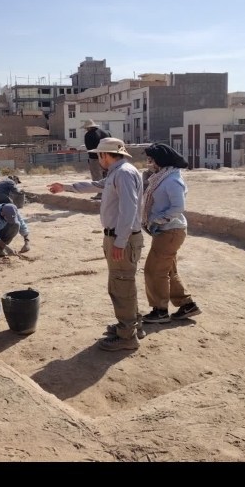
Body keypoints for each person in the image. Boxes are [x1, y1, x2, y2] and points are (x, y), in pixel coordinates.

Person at [47, 137, 144, 351]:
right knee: (123, 283)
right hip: (119, 237)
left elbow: (129, 210)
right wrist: (67, 187)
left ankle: (127, 335)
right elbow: (96, 185)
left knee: (121, 285)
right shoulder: (118, 172)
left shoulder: (124, 173)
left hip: (122, 238)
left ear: (105, 155)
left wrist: (120, 241)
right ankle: (132, 325)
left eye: (98, 155)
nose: (97, 159)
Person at [141, 143, 201, 324]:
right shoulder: (160, 178)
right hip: (164, 231)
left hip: (170, 231)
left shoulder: (172, 180)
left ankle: (160, 310)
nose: (149, 163)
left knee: (154, 271)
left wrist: (157, 219)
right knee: (167, 270)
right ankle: (187, 304)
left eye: (151, 160)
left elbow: (178, 207)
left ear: (160, 160)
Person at [81, 119, 111, 200]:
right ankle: (109, 193)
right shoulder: (106, 133)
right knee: (107, 175)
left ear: (88, 127)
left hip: (95, 158)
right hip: (108, 157)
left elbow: (89, 149)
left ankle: (100, 193)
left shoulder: (88, 135)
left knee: (97, 176)